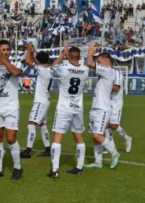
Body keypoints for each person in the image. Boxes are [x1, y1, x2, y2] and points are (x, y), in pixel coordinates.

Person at [0, 40, 24, 180]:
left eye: (7, 49)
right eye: (3, 49)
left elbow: (15, 72)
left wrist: (2, 59)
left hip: (11, 107)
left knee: (11, 138)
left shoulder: (16, 64)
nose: (6, 52)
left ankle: (18, 167)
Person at [47, 45, 89, 178]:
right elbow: (87, 64)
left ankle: (54, 171)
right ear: (80, 57)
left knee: (57, 138)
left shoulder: (64, 69)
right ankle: (80, 167)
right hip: (78, 108)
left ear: (68, 57)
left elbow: (52, 67)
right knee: (79, 137)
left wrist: (62, 55)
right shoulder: (85, 70)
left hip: (64, 108)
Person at [84, 43, 120, 169]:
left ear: (105, 62)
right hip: (95, 107)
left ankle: (114, 153)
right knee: (95, 136)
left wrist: (90, 53)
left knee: (97, 135)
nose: (97, 63)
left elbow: (90, 63)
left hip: (102, 108)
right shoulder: (103, 73)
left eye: (99, 61)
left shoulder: (109, 71)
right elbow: (91, 66)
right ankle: (98, 161)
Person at [20, 44, 52, 158]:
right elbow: (34, 62)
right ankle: (48, 149)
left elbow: (28, 61)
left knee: (31, 124)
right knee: (43, 126)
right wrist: (33, 53)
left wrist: (28, 50)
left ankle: (28, 151)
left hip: (40, 101)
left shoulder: (42, 70)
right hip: (45, 100)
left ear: (39, 61)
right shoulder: (47, 69)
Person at [105, 69, 132, 153]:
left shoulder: (118, 73)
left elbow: (116, 88)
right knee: (106, 125)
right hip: (106, 102)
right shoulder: (103, 73)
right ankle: (111, 147)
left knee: (113, 125)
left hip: (116, 103)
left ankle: (127, 138)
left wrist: (104, 85)